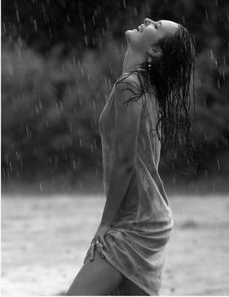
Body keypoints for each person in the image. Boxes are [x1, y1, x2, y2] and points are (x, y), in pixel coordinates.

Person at [66, 18, 195, 296]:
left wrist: (105, 224)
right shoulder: (145, 88)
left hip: (135, 223)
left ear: (156, 51)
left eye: (156, 26)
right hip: (148, 218)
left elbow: (125, 164)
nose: (147, 20)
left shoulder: (130, 85)